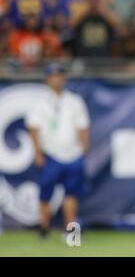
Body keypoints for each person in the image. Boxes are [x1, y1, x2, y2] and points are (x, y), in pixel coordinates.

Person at [25, 64, 90, 238]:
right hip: (50, 154)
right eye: (53, 76)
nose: (57, 79)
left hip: (73, 153)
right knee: (46, 193)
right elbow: (34, 128)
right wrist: (37, 152)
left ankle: (70, 229)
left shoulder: (75, 101)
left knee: (72, 193)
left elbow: (83, 126)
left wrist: (83, 148)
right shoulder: (39, 103)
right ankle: (44, 226)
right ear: (47, 80)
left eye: (59, 75)